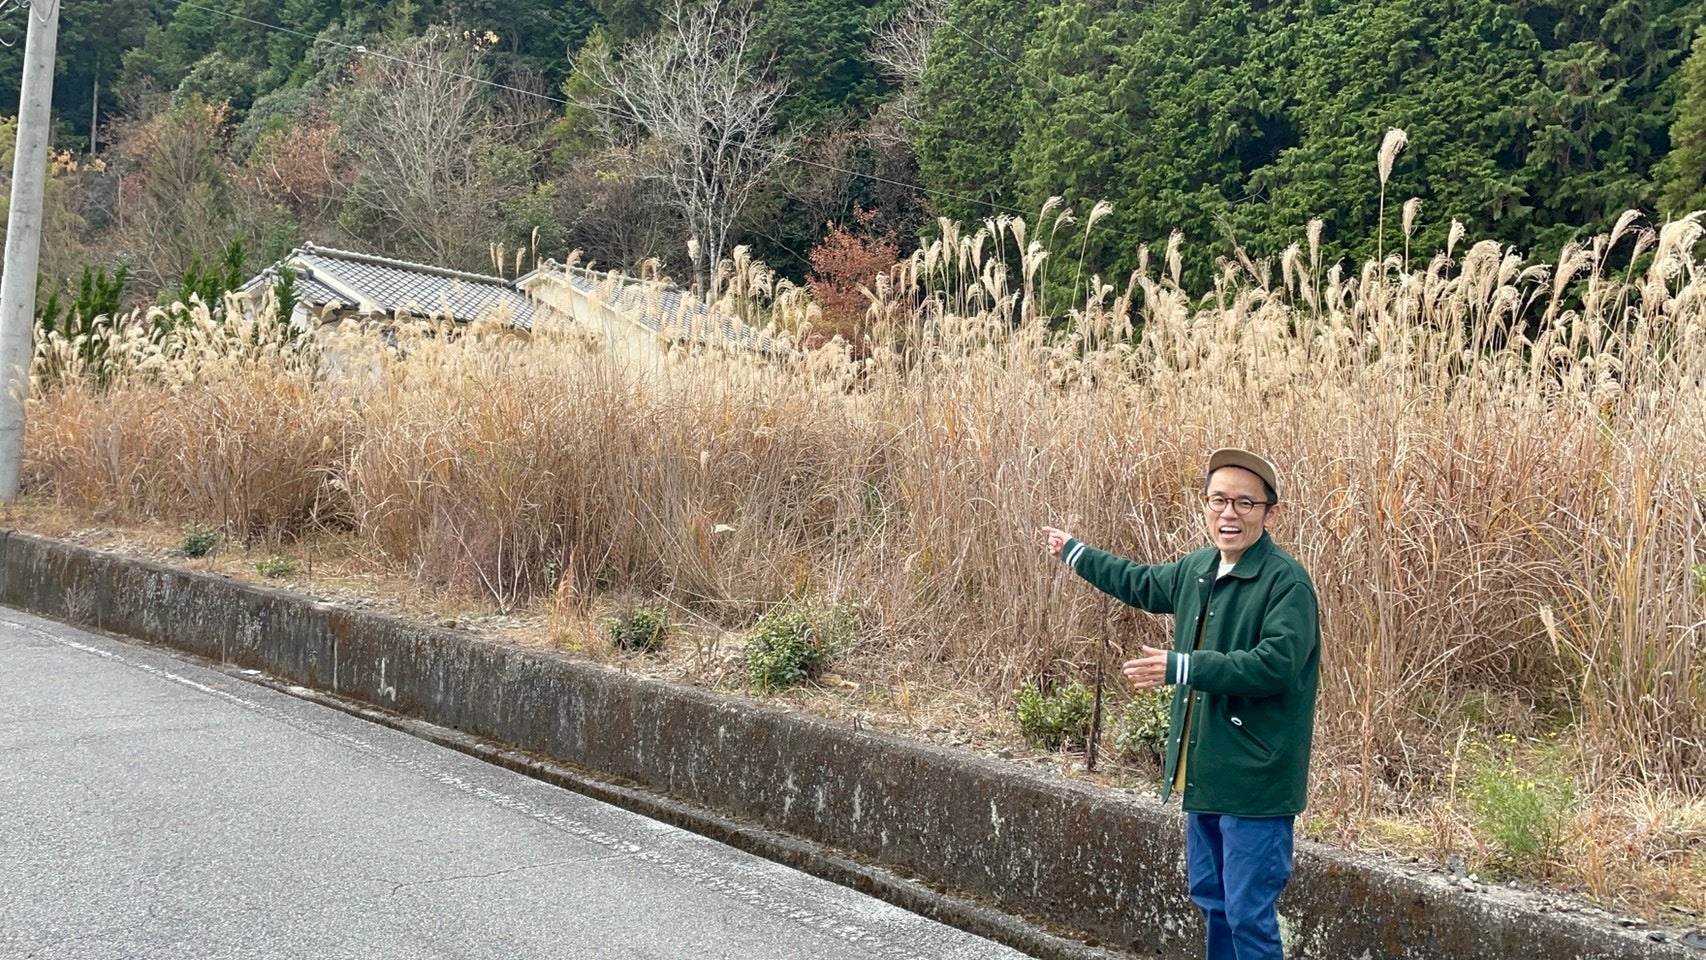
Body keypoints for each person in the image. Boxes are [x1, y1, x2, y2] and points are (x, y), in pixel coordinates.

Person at [1041, 447, 1320, 960]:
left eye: (1244, 503)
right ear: (1206, 505)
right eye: (1219, 500)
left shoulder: (1286, 582)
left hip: (1256, 779)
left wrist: (1185, 666)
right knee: (1212, 901)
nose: (1229, 514)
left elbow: (1275, 665)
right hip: (1205, 772)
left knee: (1248, 914)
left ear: (1270, 512)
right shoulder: (1199, 568)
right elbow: (1141, 582)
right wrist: (1077, 553)